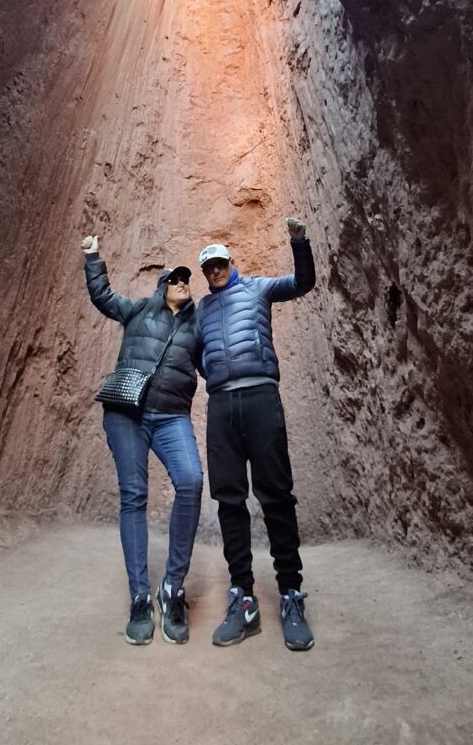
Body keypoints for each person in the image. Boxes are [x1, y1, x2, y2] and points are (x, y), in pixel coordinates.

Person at [196, 218, 316, 651]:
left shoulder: (259, 289)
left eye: (221, 263)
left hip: (262, 398)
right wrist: (218, 378)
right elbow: (197, 354)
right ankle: (242, 597)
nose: (215, 271)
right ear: (204, 273)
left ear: (232, 263)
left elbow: (303, 283)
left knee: (277, 496)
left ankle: (290, 595)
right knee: (229, 501)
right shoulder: (202, 311)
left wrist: (299, 242)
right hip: (223, 406)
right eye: (208, 267)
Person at [82, 234, 203, 646]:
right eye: (176, 279)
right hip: (127, 413)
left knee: (190, 480)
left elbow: (214, 361)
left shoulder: (196, 326)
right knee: (134, 495)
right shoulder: (138, 312)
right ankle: (139, 597)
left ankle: (172, 590)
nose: (183, 283)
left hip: (171, 416)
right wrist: (92, 256)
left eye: (187, 280)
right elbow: (102, 296)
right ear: (162, 286)